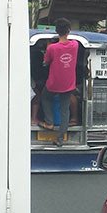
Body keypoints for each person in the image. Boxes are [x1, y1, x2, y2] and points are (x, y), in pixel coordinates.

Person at [40, 18, 80, 146]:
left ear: (57, 31)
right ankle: (60, 138)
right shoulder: (75, 45)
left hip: (53, 83)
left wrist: (47, 47)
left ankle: (49, 122)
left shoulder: (52, 48)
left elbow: (45, 63)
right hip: (68, 84)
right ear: (68, 31)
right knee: (65, 110)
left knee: (45, 98)